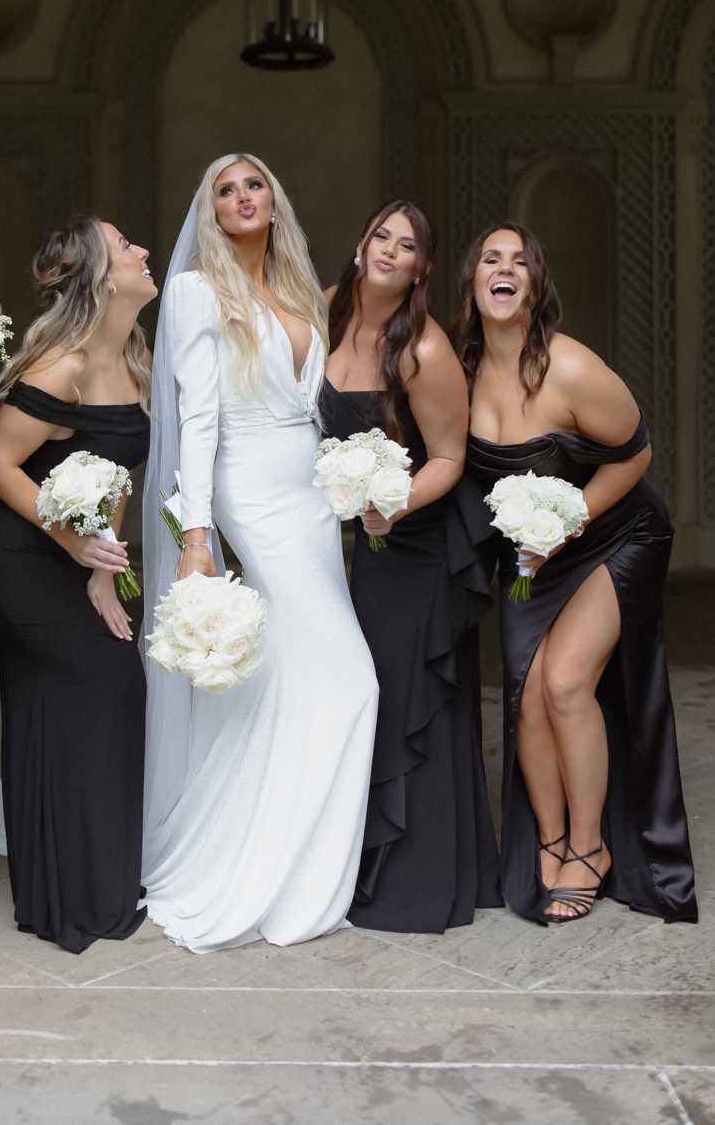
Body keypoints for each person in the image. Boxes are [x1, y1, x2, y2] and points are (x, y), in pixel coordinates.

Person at [141, 153, 379, 953]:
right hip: (251, 490)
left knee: (293, 680)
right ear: (209, 211)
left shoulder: (299, 287)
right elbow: (195, 421)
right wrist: (198, 537)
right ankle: (258, 870)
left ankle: (291, 859)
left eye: (254, 185)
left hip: (312, 498)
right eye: (225, 189)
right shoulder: (194, 290)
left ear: (274, 201)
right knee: (352, 681)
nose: (243, 197)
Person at [453, 222, 697, 924]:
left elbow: (636, 454)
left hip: (616, 535)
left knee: (564, 683)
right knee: (529, 693)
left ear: (535, 285)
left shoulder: (571, 367)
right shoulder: (461, 371)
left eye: (520, 262)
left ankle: (591, 849)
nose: (505, 269)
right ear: (473, 282)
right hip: (533, 555)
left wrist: (564, 526)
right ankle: (551, 840)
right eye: (490, 259)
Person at [0, 218, 154, 953]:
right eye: (126, 245)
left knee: (72, 692)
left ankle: (66, 889)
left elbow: (115, 470)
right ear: (102, 276)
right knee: (104, 679)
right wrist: (73, 545)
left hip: (70, 551)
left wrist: (103, 572)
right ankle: (78, 896)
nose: (142, 250)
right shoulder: (60, 364)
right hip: (5, 548)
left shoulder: (135, 356)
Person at [319, 200, 501, 932]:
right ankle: (372, 857)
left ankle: (420, 878)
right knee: (373, 694)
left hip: (419, 543)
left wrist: (391, 507)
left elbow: (451, 460)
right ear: (361, 245)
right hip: (372, 548)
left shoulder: (422, 349)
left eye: (409, 245)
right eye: (381, 236)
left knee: (408, 696)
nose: (391, 250)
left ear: (424, 266)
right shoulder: (330, 310)